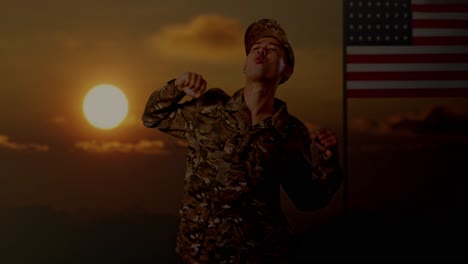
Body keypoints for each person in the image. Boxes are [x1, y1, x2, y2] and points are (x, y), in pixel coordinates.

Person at [142, 18, 343, 264]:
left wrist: (329, 160)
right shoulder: (210, 107)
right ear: (244, 66)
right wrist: (177, 86)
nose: (261, 50)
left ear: (286, 69)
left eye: (273, 48)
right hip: (196, 254)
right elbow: (153, 117)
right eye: (255, 47)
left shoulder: (290, 131)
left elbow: (308, 199)